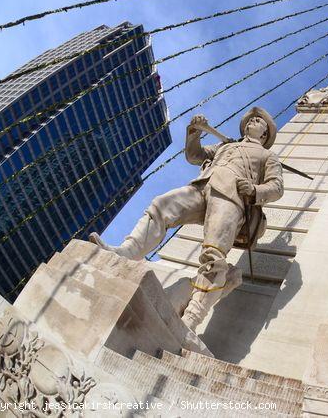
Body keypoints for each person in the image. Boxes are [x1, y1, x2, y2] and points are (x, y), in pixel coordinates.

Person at [90, 106, 283, 335]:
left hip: (232, 198)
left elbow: (276, 187)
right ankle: (126, 253)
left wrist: (254, 189)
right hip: (203, 185)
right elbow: (195, 156)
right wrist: (193, 132)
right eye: (252, 118)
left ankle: (190, 320)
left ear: (265, 134)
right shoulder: (226, 145)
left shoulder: (267, 155)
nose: (253, 120)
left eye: (259, 120)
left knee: (213, 256)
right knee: (161, 206)